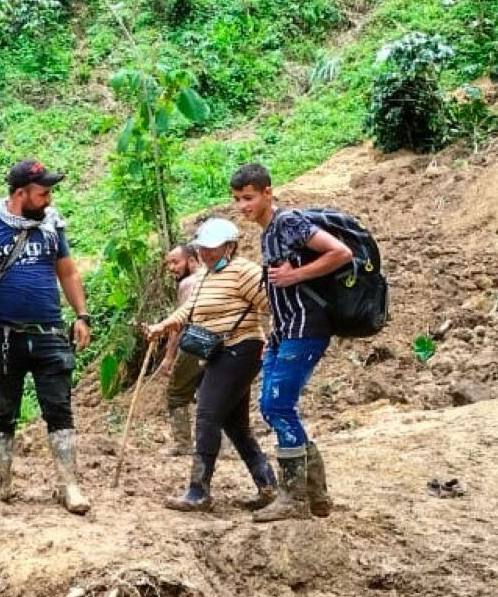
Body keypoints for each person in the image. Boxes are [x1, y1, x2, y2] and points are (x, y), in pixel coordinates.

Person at [0, 159, 94, 513]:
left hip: (49, 333)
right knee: (2, 411)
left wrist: (82, 315)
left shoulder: (51, 227)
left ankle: (69, 485)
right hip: (4, 337)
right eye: (42, 192)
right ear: (20, 194)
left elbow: (69, 273)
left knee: (59, 408)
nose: (48, 198)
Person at [230, 161, 353, 521]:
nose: (242, 207)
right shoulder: (268, 231)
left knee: (277, 405)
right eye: (237, 199)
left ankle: (295, 497)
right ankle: (314, 494)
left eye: (248, 198)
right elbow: (281, 290)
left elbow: (340, 252)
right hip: (286, 332)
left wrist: (296, 273)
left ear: (268, 192)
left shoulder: (288, 222)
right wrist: (275, 333)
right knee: (272, 407)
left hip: (307, 329)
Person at [143, 219, 277, 512]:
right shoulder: (204, 276)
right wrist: (161, 327)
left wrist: (278, 336)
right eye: (203, 248)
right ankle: (268, 485)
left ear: (230, 246)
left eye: (213, 249)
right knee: (236, 425)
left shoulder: (244, 272)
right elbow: (187, 311)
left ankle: (198, 491)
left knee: (206, 414)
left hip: (241, 348)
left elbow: (273, 302)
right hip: (218, 352)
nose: (207, 254)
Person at [161, 242, 203, 457]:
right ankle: (222, 444)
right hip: (220, 342)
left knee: (176, 393)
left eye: (176, 262)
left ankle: (182, 443)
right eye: (169, 263)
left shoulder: (188, 283)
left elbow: (180, 324)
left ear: (193, 260)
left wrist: (169, 356)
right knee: (209, 393)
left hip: (196, 342)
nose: (171, 267)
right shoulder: (214, 276)